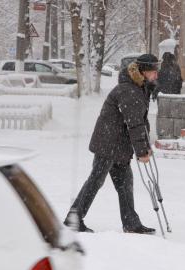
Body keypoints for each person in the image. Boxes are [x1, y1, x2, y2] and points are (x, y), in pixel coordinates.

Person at [64, 54, 159, 234]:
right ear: (144, 72)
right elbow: (135, 123)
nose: (156, 76)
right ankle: (73, 219)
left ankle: (130, 223)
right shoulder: (130, 91)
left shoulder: (138, 87)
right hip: (108, 144)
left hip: (118, 145)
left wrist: (144, 146)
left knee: (125, 183)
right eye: (154, 72)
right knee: (95, 181)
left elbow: (140, 121)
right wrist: (141, 151)